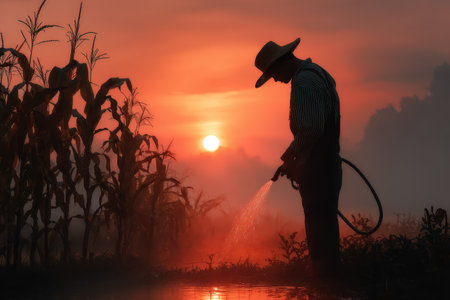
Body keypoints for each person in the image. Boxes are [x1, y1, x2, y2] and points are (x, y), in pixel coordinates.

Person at [254, 38, 342, 277]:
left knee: (318, 227)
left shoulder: (302, 83)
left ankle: (324, 282)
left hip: (318, 167)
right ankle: (331, 280)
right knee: (326, 223)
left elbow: (311, 129)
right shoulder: (319, 73)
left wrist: (300, 162)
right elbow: (315, 126)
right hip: (329, 164)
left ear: (281, 63)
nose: (275, 80)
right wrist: (289, 156)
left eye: (272, 74)